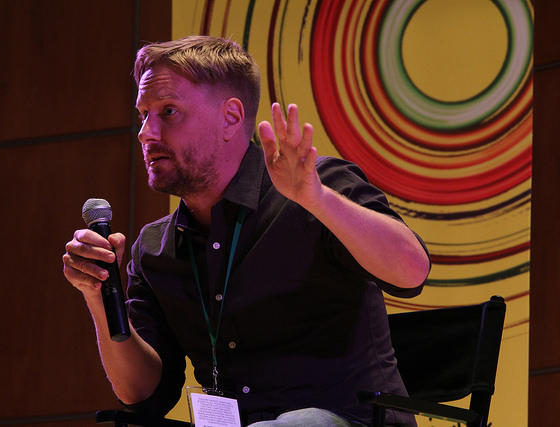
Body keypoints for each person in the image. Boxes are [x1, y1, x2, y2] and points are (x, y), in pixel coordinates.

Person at [63, 35, 430, 427]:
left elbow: (411, 270)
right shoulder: (154, 249)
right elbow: (142, 392)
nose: (146, 133)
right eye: (143, 115)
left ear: (231, 118)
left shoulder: (317, 186)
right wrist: (101, 297)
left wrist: (318, 199)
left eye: (168, 112)